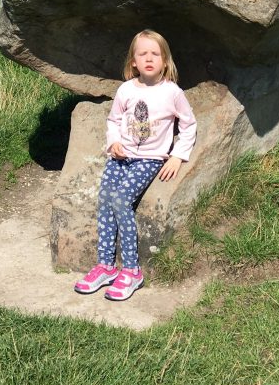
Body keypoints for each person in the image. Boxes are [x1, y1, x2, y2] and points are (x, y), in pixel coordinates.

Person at [74, 29, 197, 301]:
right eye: (143, 54)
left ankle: (131, 270)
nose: (149, 58)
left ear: (165, 61)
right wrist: (114, 142)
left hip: (149, 159)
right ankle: (106, 266)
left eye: (155, 54)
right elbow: (114, 120)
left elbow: (188, 125)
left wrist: (177, 155)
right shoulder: (126, 89)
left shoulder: (172, 92)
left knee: (119, 200)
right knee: (105, 199)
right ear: (133, 61)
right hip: (120, 157)